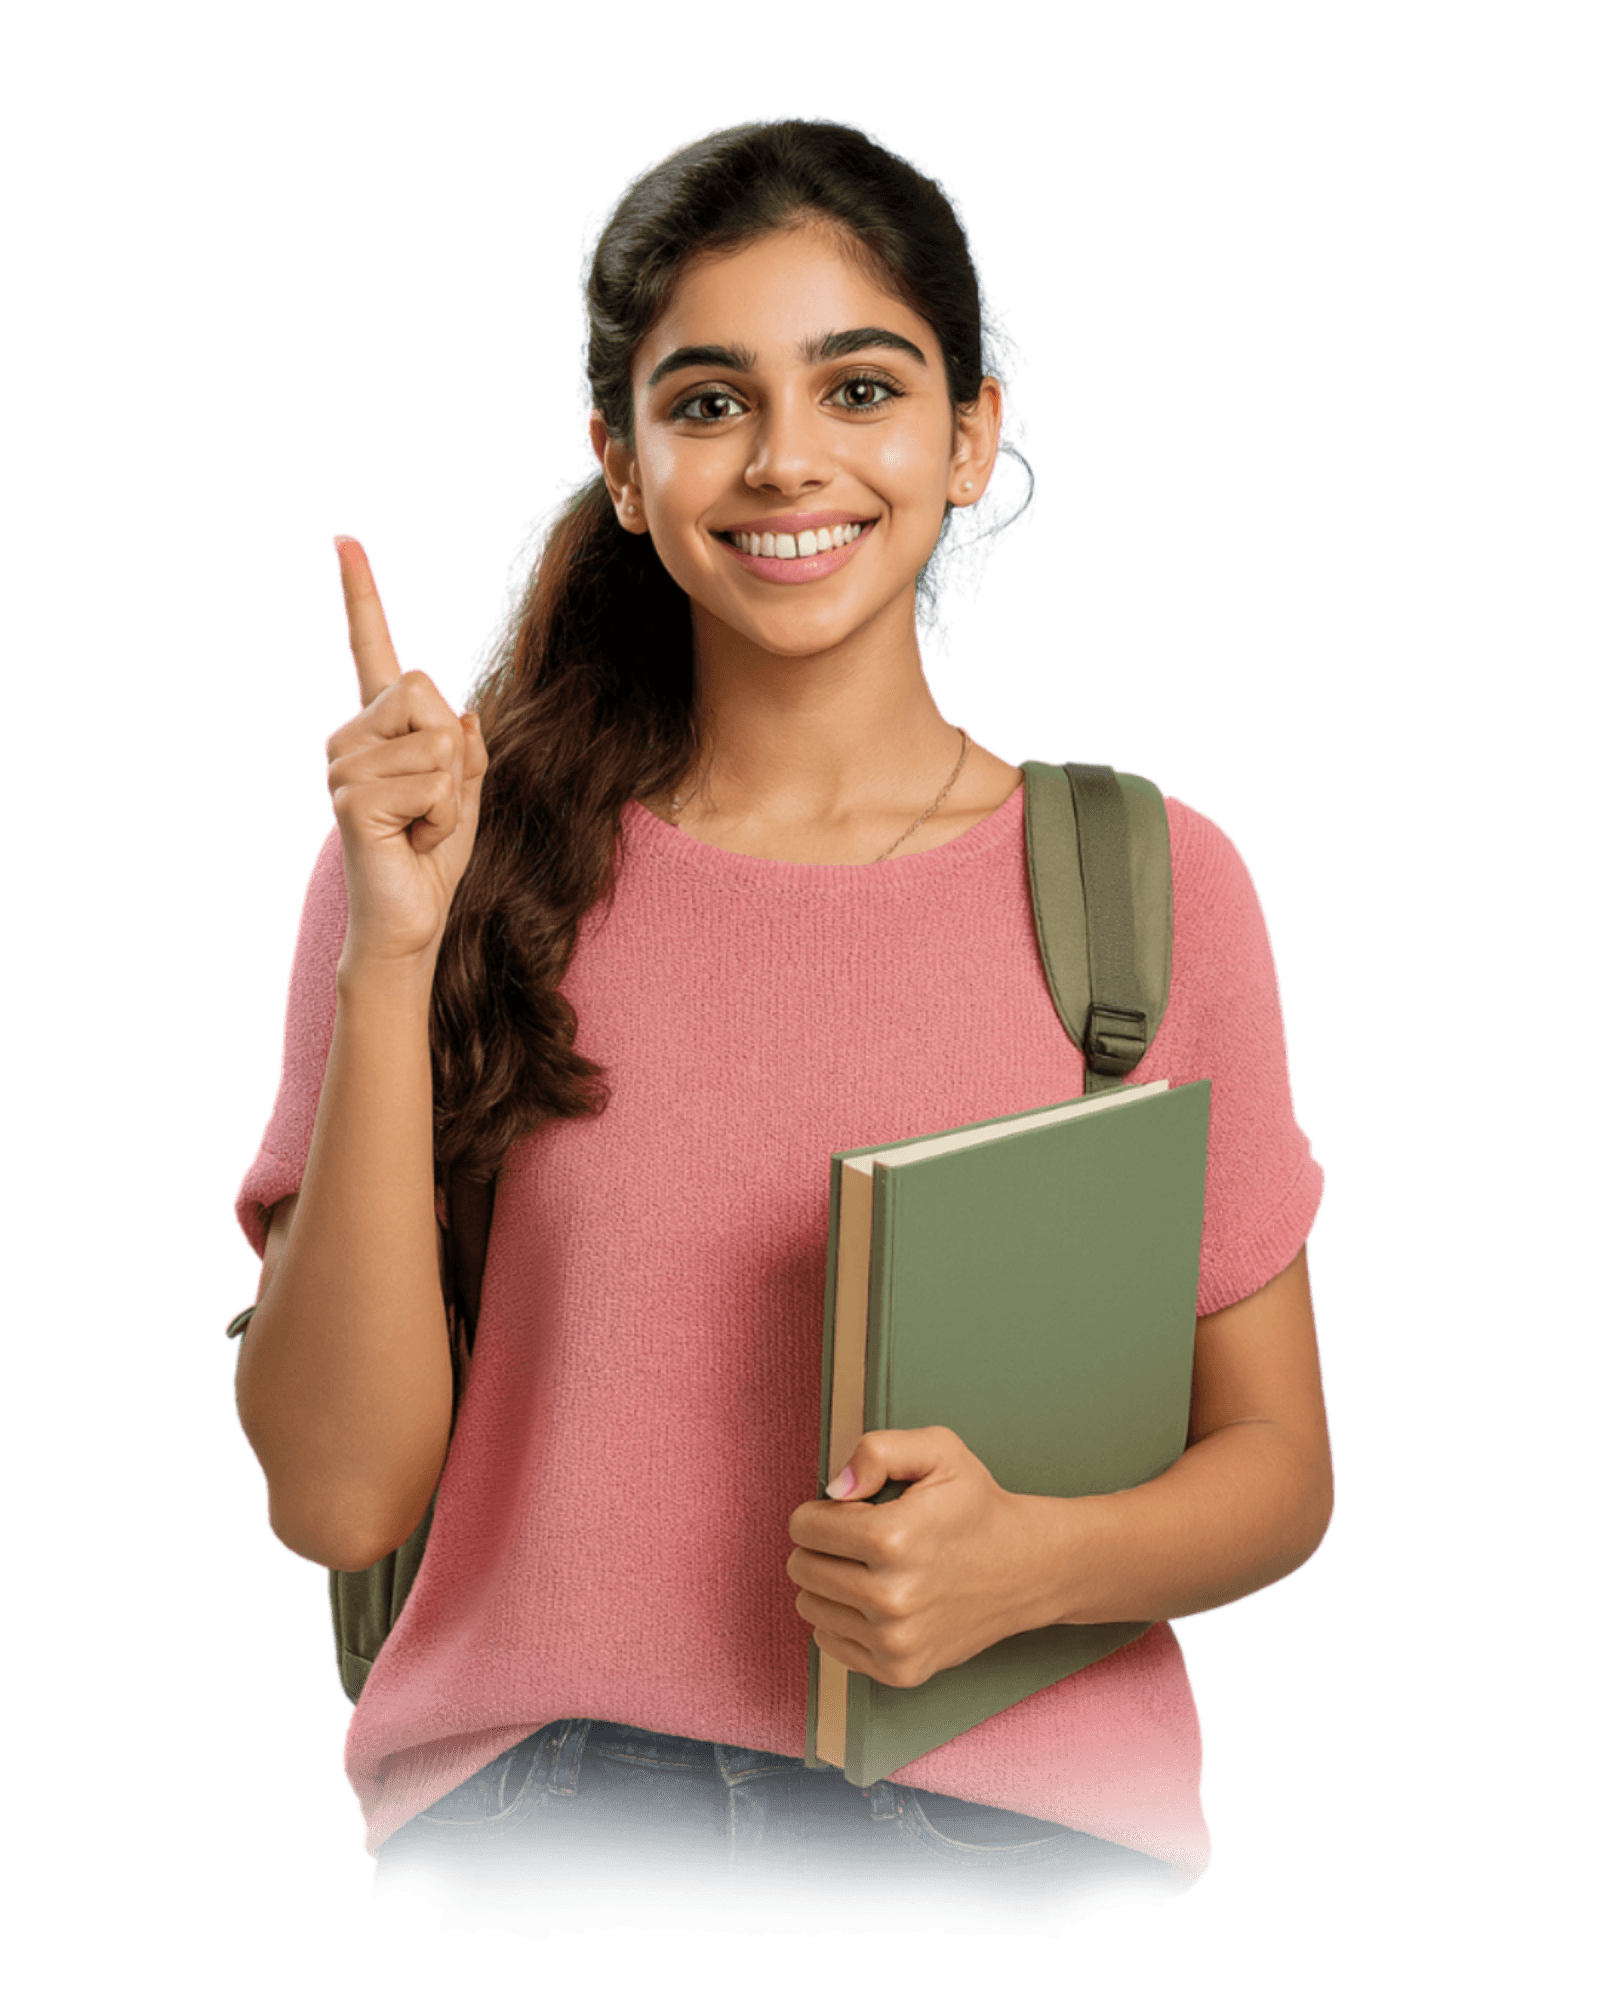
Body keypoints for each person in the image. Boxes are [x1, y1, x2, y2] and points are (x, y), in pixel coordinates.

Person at [229, 116, 1332, 1939]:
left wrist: (1036, 1562)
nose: (790, 459)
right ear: (626, 462)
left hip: (1017, 1852)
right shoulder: (434, 866)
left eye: (861, 384)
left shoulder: (1150, 887)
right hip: (539, 1838)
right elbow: (339, 1500)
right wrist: (388, 955)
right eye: (713, 400)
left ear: (968, 437)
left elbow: (1279, 1469)